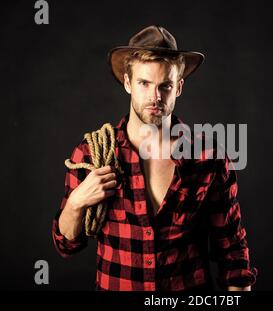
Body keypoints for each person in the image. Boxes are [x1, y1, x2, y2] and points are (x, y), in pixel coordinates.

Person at [52, 25, 257, 291]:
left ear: (179, 87)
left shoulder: (209, 158)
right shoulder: (93, 154)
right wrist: (77, 202)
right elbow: (66, 243)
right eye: (144, 83)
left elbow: (233, 256)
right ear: (128, 83)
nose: (155, 96)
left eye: (165, 86)